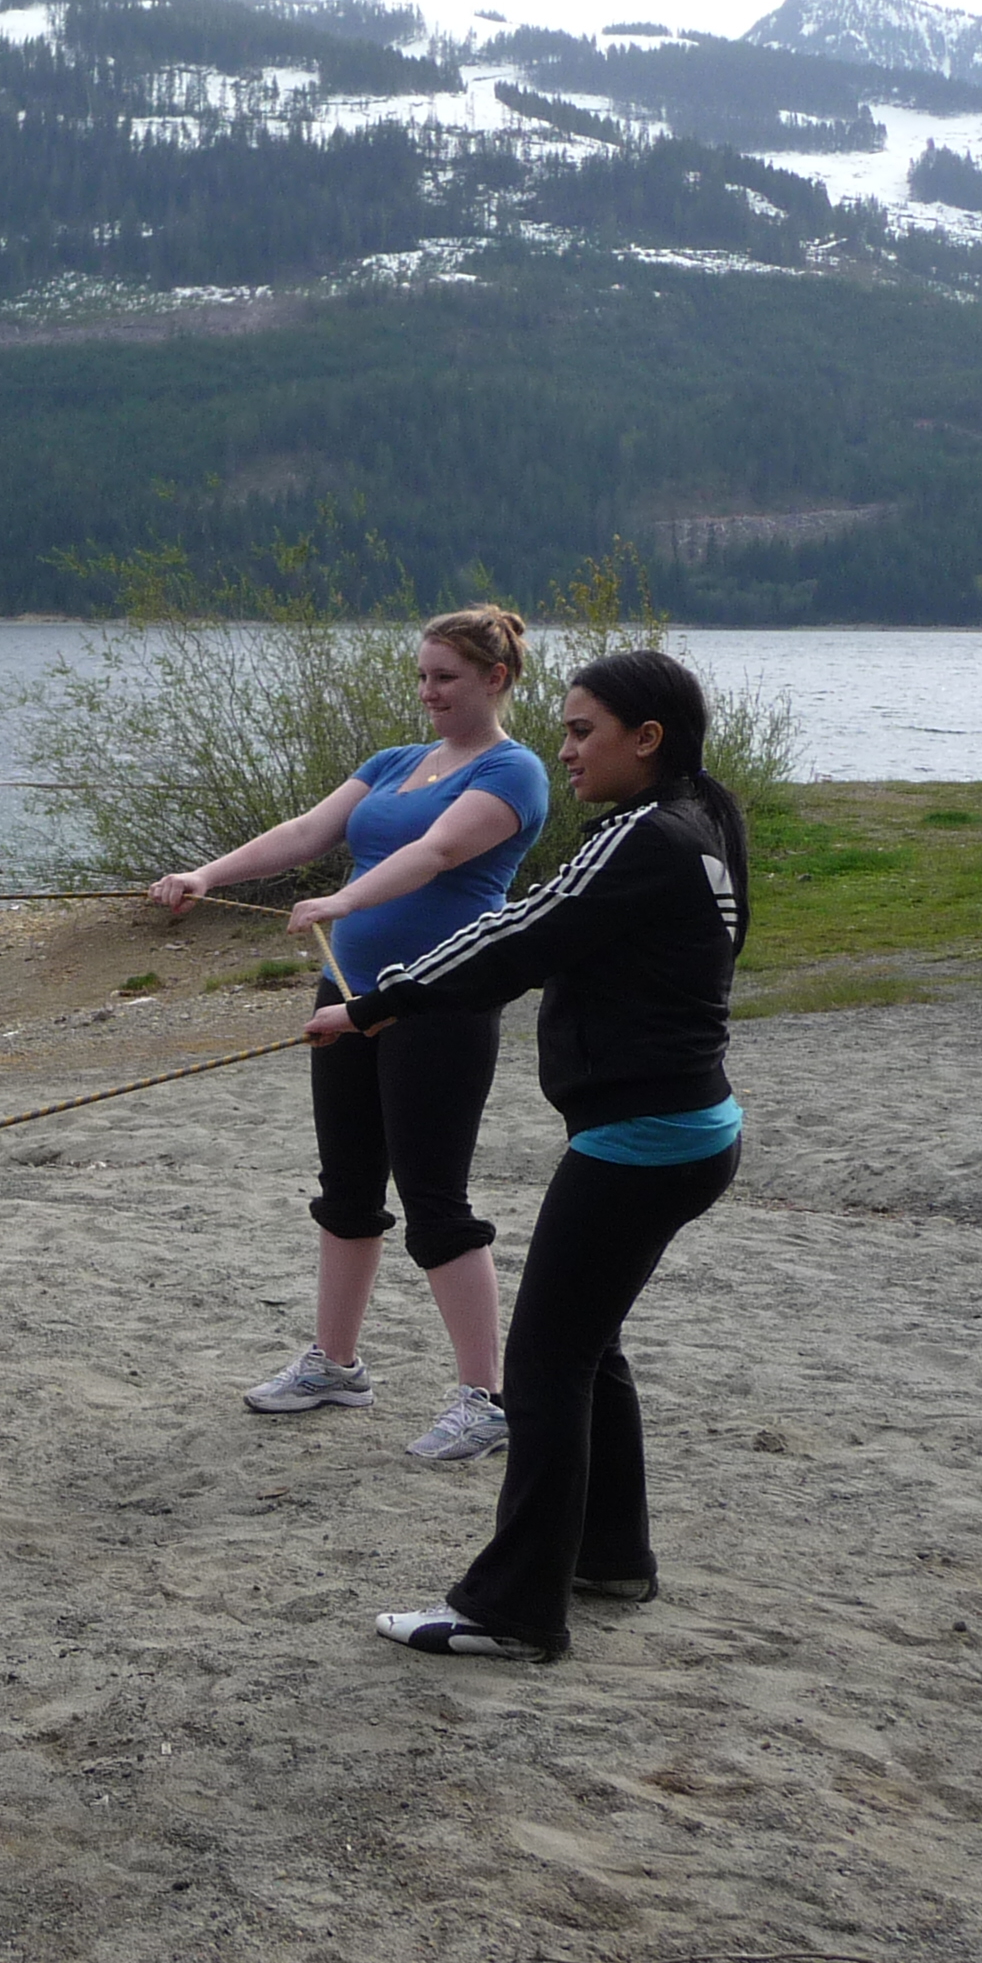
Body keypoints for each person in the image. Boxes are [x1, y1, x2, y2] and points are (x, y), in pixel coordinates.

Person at [315, 648, 750, 1664]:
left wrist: (375, 1006)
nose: (567, 750)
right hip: (686, 1129)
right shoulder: (697, 820)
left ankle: (513, 1610)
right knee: (587, 1348)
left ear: (648, 738)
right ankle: (611, 1557)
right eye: (564, 730)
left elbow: (517, 933)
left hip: (642, 1142)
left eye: (584, 731)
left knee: (546, 1365)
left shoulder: (648, 835)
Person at [148, 608, 552, 1460]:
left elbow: (439, 853)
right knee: (347, 1188)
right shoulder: (395, 762)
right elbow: (306, 833)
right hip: (346, 994)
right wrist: (206, 874)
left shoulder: (513, 772)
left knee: (435, 1200)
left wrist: (344, 898)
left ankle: (485, 1397)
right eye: (422, 676)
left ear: (496, 679)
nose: (429, 692)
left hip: (437, 1003)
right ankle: (335, 1365)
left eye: (446, 677)